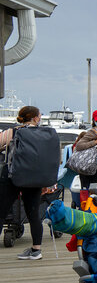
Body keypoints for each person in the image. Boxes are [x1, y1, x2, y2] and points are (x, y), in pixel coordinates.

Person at [0, 106, 48, 260]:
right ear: (35, 118)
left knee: (1, 212)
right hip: (34, 178)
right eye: (39, 115)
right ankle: (36, 250)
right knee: (33, 214)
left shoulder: (13, 131)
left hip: (13, 176)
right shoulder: (44, 134)